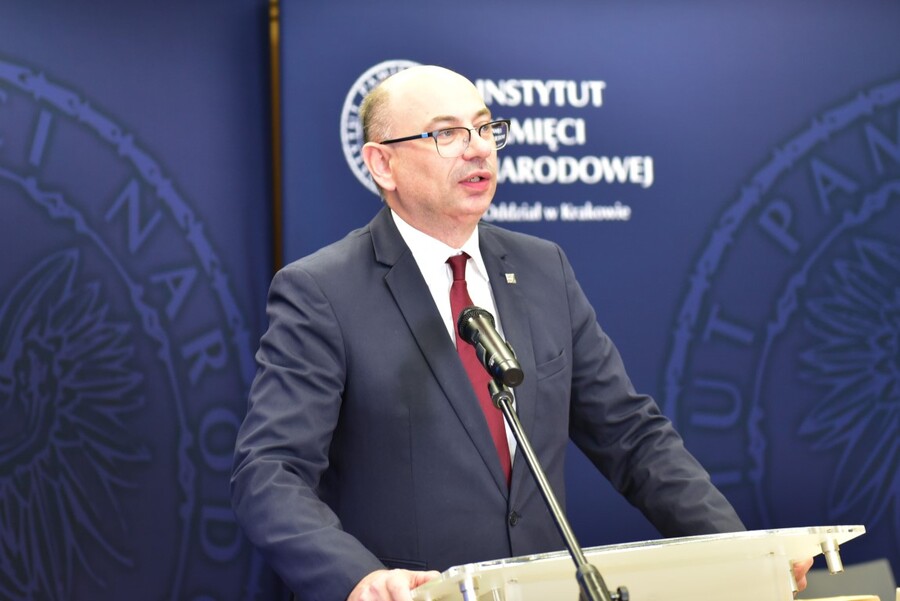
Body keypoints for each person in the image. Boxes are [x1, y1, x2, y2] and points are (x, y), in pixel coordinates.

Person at [230, 65, 812, 601]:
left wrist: (742, 552)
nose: (478, 147)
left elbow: (631, 436)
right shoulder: (323, 291)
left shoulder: (542, 268)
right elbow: (270, 472)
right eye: (447, 133)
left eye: (486, 128)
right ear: (383, 164)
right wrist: (358, 577)